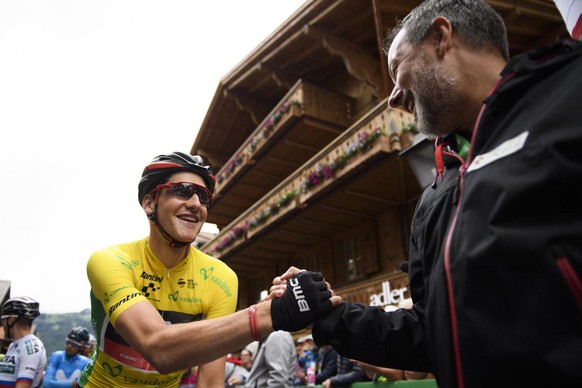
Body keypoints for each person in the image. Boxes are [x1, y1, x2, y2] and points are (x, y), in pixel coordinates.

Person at [271, 0, 582, 386]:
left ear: (440, 36)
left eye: (397, 70)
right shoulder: (433, 198)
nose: (392, 97)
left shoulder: (570, 95)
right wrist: (325, 316)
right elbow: (429, 332)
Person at [79, 151, 342, 387]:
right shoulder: (110, 260)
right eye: (181, 190)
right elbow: (157, 347)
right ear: (150, 203)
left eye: (203, 197)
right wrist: (270, 312)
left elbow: (211, 381)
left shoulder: (220, 277)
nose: (195, 203)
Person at [0, 296, 47, 387]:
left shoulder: (31, 347)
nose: (3, 325)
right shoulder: (14, 345)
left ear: (11, 320)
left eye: (3, 320)